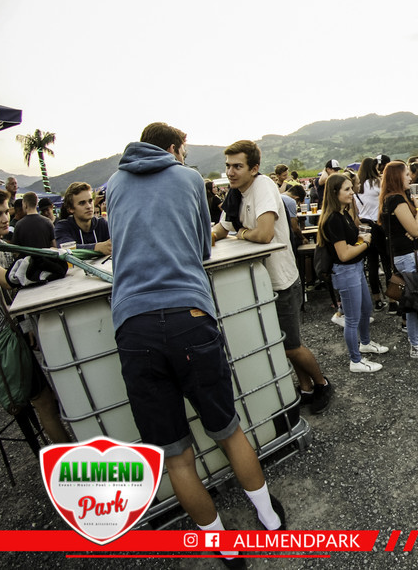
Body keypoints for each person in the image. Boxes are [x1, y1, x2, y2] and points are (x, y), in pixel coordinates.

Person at [106, 123, 285, 563]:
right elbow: (203, 248)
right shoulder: (187, 179)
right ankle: (269, 519)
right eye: (183, 150)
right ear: (173, 148)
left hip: (134, 326)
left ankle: (223, 546)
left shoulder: (113, 184)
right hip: (188, 315)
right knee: (228, 430)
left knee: (176, 457)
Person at [213, 140, 333, 414]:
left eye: (237, 166)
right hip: (258, 283)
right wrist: (206, 238)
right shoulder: (235, 195)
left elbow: (265, 233)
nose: (230, 172)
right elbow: (221, 228)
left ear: (254, 169)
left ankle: (322, 383)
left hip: (281, 280)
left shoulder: (263, 186)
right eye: (228, 166)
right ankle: (306, 389)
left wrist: (241, 233)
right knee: (280, 344)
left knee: (290, 345)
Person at [0, 186, 70, 441]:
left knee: (49, 398)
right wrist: (45, 263)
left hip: (14, 332)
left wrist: (26, 326)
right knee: (45, 402)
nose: (5, 218)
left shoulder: (2, 245)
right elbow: (8, 280)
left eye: (6, 212)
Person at [319, 173, 389, 373]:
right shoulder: (333, 219)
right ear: (335, 193)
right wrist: (365, 243)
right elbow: (343, 254)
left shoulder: (344, 213)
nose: (353, 192)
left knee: (366, 309)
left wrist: (360, 237)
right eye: (347, 189)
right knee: (351, 319)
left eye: (352, 188)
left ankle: (365, 343)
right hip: (346, 271)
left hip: (356, 268)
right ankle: (355, 361)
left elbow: (351, 241)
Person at [378, 161, 418, 358]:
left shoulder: (391, 198)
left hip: (407, 254)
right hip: (409, 256)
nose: (410, 177)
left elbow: (408, 229)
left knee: (413, 297)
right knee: (415, 300)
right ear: (396, 177)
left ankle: (417, 335)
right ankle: (416, 345)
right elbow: (413, 230)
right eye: (406, 174)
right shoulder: (397, 199)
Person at [354, 157, 389, 311]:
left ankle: (377, 300)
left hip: (363, 227)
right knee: (387, 263)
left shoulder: (357, 186)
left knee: (372, 264)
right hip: (378, 225)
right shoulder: (376, 183)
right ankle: (393, 301)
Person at [54, 182, 112, 255]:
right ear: (70, 209)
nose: (89, 206)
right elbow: (66, 248)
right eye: (82, 203)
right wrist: (96, 247)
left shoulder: (102, 224)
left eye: (90, 201)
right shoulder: (63, 227)